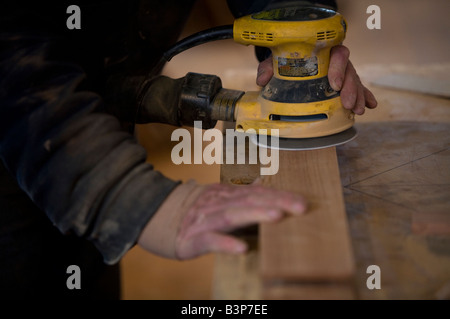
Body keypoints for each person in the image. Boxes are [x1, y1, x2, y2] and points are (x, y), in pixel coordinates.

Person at [0, 0, 377, 299]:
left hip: (90, 112)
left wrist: (292, 12)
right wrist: (119, 192)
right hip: (22, 125)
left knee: (83, 265)